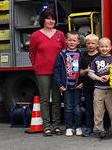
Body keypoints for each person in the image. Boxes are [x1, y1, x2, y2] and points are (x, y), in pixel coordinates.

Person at [29, 8, 65, 136]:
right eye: (48, 18)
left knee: (56, 99)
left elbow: (64, 52)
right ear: (43, 20)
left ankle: (56, 125)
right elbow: (32, 53)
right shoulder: (36, 35)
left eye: (53, 18)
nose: (51, 21)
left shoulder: (60, 34)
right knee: (45, 99)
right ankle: (47, 126)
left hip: (58, 72)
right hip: (42, 71)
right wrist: (36, 65)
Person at [88, 37, 112, 139]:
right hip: (98, 89)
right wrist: (98, 78)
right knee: (98, 111)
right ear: (98, 47)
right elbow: (90, 73)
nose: (104, 49)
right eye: (102, 47)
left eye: (106, 46)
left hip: (111, 89)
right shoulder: (96, 60)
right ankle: (99, 130)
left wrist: (109, 76)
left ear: (110, 47)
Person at [53, 31, 83, 136]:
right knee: (68, 107)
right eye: (69, 40)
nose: (72, 42)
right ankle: (69, 127)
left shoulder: (81, 54)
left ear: (78, 41)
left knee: (77, 107)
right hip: (66, 86)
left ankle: (78, 126)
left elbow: (84, 70)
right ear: (66, 40)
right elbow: (57, 69)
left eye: (74, 40)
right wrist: (59, 84)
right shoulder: (62, 54)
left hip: (77, 86)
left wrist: (82, 82)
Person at [79, 34, 100, 137]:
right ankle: (88, 127)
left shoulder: (100, 55)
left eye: (93, 43)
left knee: (100, 108)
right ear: (85, 44)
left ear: (97, 44)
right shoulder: (83, 56)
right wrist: (87, 70)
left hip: (99, 87)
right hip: (87, 86)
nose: (90, 45)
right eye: (88, 43)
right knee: (89, 108)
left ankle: (101, 127)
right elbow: (81, 72)